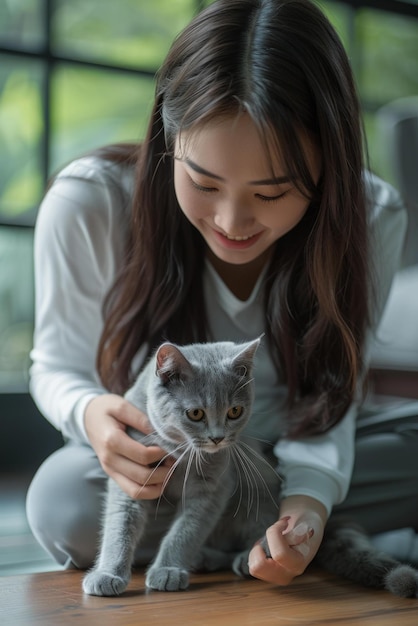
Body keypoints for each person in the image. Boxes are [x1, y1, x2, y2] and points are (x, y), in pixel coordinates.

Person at [26, 0, 418, 586]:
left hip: (281, 457)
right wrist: (92, 418)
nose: (233, 221)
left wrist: (307, 502)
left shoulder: (371, 215)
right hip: (170, 464)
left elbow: (336, 396)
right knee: (64, 500)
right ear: (167, 137)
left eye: (272, 192)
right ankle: (341, 527)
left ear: (328, 167)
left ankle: (305, 527)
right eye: (203, 182)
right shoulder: (90, 202)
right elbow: (55, 367)